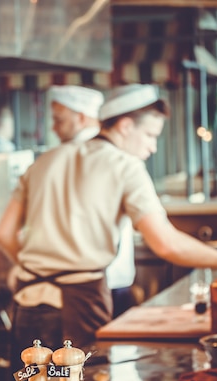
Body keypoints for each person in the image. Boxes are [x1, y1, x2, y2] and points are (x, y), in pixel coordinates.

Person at [0, 83, 217, 362]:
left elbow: (4, 234)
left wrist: (31, 266)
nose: (152, 147)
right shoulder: (125, 166)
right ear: (126, 126)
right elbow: (166, 244)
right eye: (150, 135)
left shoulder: (44, 161)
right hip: (79, 304)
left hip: (27, 303)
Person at [50, 85, 137, 317]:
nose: (53, 127)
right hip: (115, 278)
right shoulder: (118, 155)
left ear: (80, 118)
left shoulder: (64, 158)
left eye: (59, 120)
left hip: (85, 285)